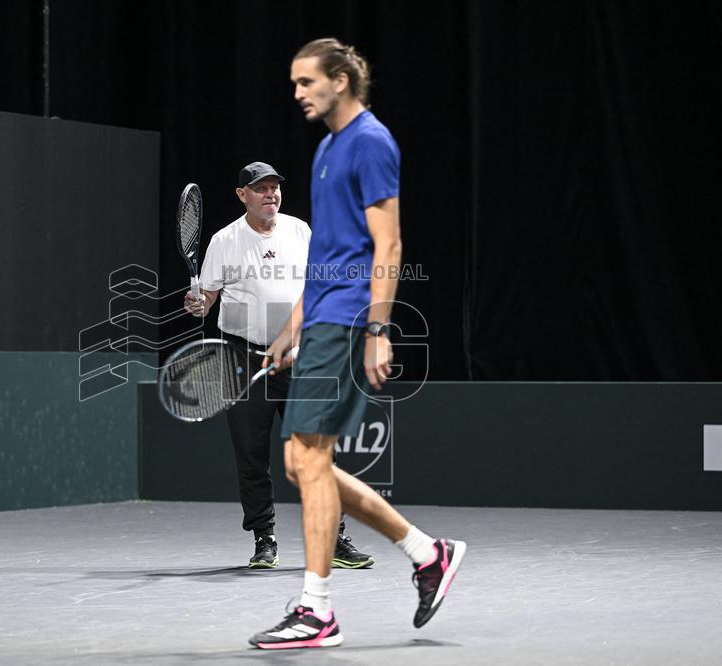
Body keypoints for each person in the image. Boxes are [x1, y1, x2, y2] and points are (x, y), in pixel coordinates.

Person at [249, 39, 466, 649]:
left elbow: (388, 244)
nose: (297, 93)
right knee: (301, 462)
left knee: (309, 460)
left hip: (349, 319)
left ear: (340, 80)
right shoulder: (325, 149)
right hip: (321, 319)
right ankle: (427, 553)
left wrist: (377, 327)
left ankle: (317, 610)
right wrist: (293, 326)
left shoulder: (371, 142)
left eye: (306, 82)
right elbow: (327, 251)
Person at [184, 161, 375, 570]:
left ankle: (334, 539)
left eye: (275, 188)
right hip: (242, 359)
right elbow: (208, 299)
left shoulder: (300, 231)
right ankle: (264, 538)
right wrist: (198, 303)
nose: (271, 194)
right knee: (251, 455)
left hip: (298, 358)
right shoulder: (224, 240)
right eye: (261, 188)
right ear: (242, 195)